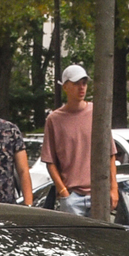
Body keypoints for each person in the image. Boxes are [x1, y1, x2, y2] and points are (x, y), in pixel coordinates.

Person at [42, 65, 114, 218]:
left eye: (84, 83)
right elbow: (49, 160)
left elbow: (110, 154)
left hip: (99, 194)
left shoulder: (97, 112)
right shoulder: (54, 120)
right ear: (65, 87)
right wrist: (63, 191)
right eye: (76, 83)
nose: (81, 88)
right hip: (72, 196)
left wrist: (113, 189)